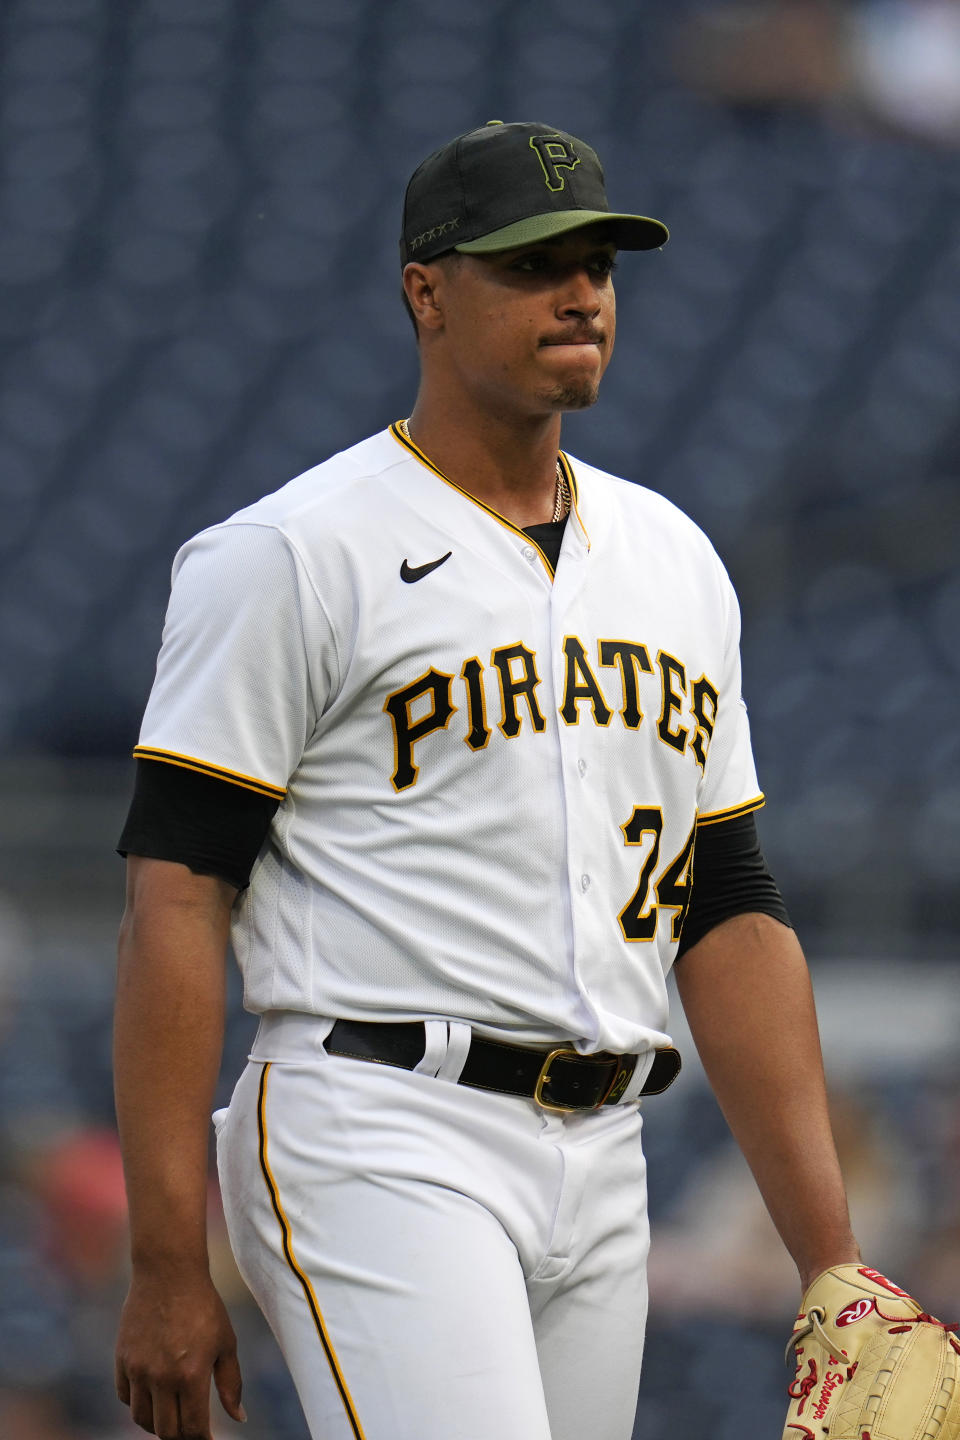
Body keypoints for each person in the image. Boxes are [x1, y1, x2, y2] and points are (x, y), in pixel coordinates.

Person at [113, 121, 861, 1440]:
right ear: (427, 290)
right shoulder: (294, 554)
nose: (579, 293)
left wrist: (832, 1266)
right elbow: (176, 900)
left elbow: (728, 906)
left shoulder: (676, 560)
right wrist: (167, 1259)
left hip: (607, 1153)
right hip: (382, 1127)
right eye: (532, 265)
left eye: (599, 264)